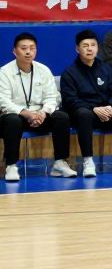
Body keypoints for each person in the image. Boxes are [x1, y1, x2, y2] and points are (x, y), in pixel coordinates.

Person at [61, 29, 112, 177]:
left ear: (98, 48)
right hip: (86, 115)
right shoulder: (69, 72)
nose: (89, 48)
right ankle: (88, 161)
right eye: (85, 45)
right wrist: (94, 109)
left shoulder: (106, 69)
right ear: (77, 49)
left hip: (108, 112)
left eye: (93, 45)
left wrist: (111, 107)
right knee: (83, 114)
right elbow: (70, 100)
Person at [0, 32, 74, 181]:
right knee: (12, 120)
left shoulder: (44, 70)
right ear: (15, 51)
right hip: (17, 116)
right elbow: (3, 101)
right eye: (23, 48)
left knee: (62, 117)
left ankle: (59, 163)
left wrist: (43, 113)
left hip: (40, 116)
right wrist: (26, 113)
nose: (28, 52)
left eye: (32, 48)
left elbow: (52, 97)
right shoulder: (4, 72)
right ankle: (11, 165)